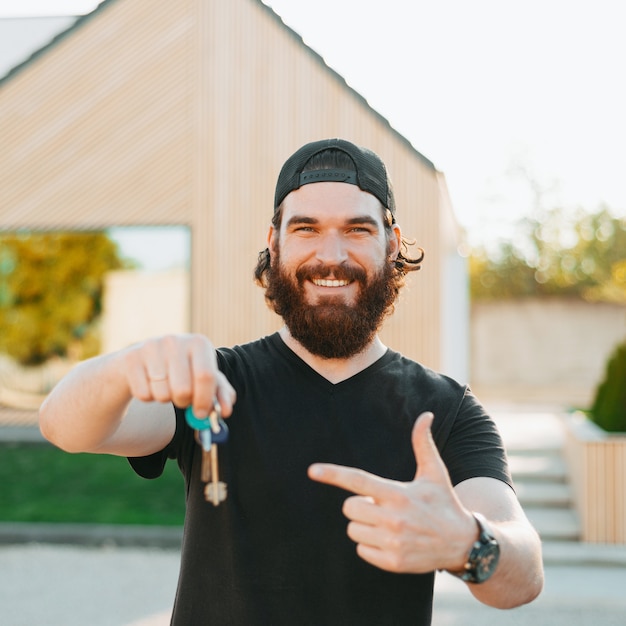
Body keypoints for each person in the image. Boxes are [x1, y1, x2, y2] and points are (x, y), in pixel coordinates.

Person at [39, 138, 543, 625]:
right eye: (306, 228)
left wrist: (467, 541)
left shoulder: (446, 410)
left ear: (391, 245)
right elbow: (64, 426)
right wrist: (126, 367)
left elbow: (524, 576)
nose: (332, 254)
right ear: (274, 243)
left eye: (357, 229)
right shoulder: (212, 384)